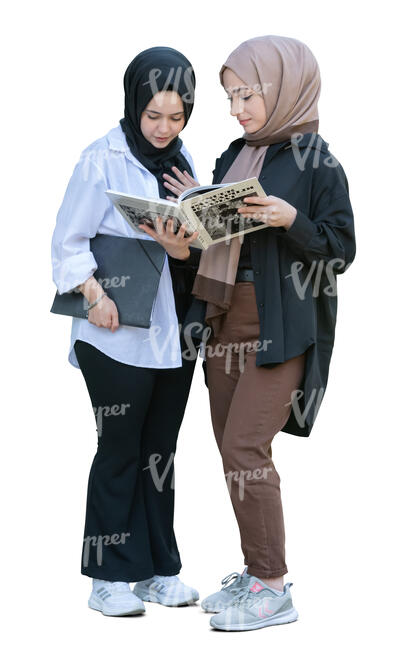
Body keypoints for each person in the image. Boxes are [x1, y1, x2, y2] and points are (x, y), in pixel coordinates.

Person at [162, 35, 356, 631]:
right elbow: (212, 247)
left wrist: (291, 219)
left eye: (248, 93)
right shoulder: (232, 159)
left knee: (246, 445)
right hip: (222, 319)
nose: (238, 107)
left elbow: (341, 249)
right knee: (232, 450)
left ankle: (273, 586)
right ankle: (255, 572)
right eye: (231, 96)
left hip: (280, 327)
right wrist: (182, 236)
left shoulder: (317, 162)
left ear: (287, 87)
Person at [51, 46, 202, 617]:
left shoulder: (187, 160)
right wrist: (94, 296)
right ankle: (108, 577)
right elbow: (66, 243)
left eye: (177, 115)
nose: (165, 128)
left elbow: (189, 252)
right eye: (153, 115)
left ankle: (159, 570)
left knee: (160, 451)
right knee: (119, 448)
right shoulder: (100, 159)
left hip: (173, 329)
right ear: (133, 103)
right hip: (112, 328)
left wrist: (183, 240)